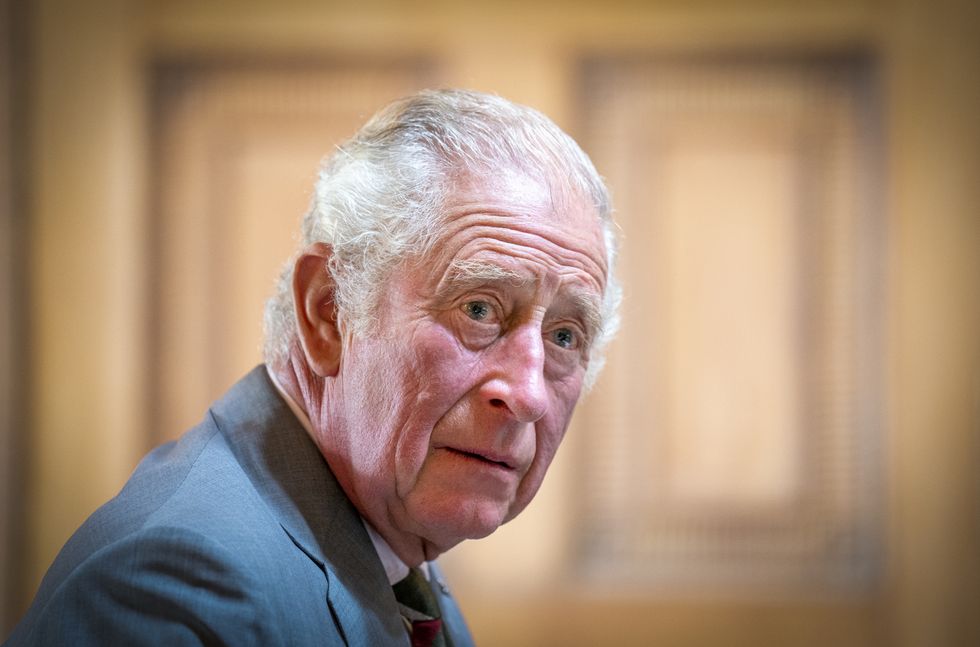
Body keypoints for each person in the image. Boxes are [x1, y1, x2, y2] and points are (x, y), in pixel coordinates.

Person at [6, 89, 621, 646]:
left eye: (564, 336)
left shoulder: (393, 541)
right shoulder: (175, 586)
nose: (527, 395)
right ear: (330, 312)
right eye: (479, 309)